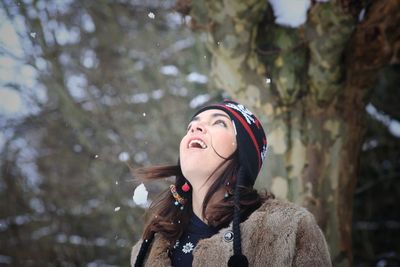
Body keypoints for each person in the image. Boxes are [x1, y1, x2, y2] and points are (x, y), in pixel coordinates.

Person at [130, 100, 331, 267]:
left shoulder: (291, 229)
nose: (194, 128)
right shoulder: (147, 247)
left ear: (243, 153)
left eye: (219, 123)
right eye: (191, 126)